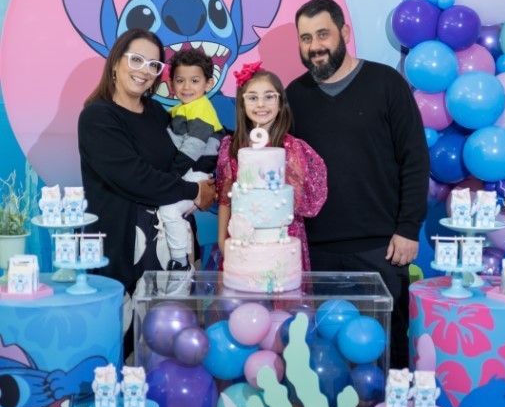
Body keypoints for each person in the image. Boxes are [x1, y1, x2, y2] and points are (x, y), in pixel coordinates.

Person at [286, 0, 429, 369]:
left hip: (381, 248)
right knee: (325, 357)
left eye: (323, 34)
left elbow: (415, 159)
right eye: (305, 38)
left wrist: (408, 228)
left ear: (345, 32)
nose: (315, 46)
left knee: (388, 351)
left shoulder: (386, 83)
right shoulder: (294, 96)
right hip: (316, 253)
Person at [78, 28, 216, 354]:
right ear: (116, 62)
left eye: (154, 65)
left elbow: (184, 159)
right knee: (125, 347)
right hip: (125, 250)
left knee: (171, 344)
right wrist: (194, 191)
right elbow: (135, 177)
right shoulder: (98, 116)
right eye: (136, 60)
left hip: (171, 247)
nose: (144, 70)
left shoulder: (156, 112)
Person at [216, 61, 327, 269]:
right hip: (242, 241)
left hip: (283, 241)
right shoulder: (232, 148)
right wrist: (222, 242)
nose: (261, 104)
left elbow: (296, 201)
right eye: (252, 98)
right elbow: (225, 200)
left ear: (280, 102)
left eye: (269, 97)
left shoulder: (292, 149)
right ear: (242, 103)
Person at [159, 49, 225, 271]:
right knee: (169, 212)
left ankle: (180, 262)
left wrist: (171, 177)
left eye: (194, 81)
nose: (187, 87)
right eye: (180, 80)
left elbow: (193, 147)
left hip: (195, 172)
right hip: (188, 171)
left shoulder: (201, 107)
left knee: (169, 211)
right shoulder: (180, 109)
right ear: (171, 84)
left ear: (208, 84)